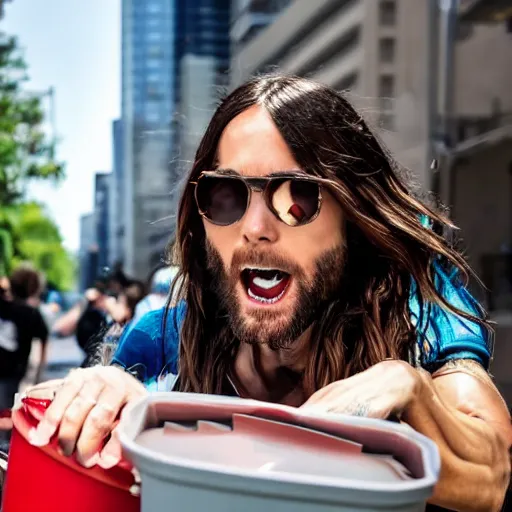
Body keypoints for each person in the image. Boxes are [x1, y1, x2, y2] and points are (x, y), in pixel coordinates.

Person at [26, 76, 510, 511]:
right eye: (226, 196)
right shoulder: (161, 339)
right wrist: (98, 393)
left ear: (353, 217)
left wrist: (409, 388)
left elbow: (491, 477)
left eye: (295, 198)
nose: (254, 228)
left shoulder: (419, 320)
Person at [0, 265, 49, 410]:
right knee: (5, 411)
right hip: (12, 372)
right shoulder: (31, 314)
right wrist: (38, 377)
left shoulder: (3, 305)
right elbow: (43, 342)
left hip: (9, 372)